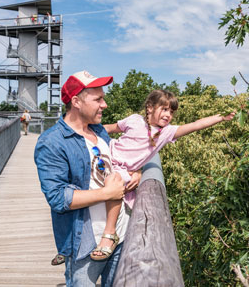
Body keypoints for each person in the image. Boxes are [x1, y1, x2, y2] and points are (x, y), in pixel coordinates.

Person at [90, 89, 235, 260]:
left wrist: (220, 117)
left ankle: (109, 233)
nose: (168, 115)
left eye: (172, 112)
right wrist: (88, 134)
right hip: (107, 156)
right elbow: (109, 128)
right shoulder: (134, 120)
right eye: (164, 109)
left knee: (115, 182)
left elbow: (196, 125)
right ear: (150, 108)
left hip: (121, 171)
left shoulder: (165, 133)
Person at [34, 70, 140, 286]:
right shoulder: (52, 142)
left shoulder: (100, 132)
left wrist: (136, 172)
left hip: (120, 237)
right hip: (85, 244)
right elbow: (57, 198)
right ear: (76, 102)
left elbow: (118, 162)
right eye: (98, 99)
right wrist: (106, 193)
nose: (105, 104)